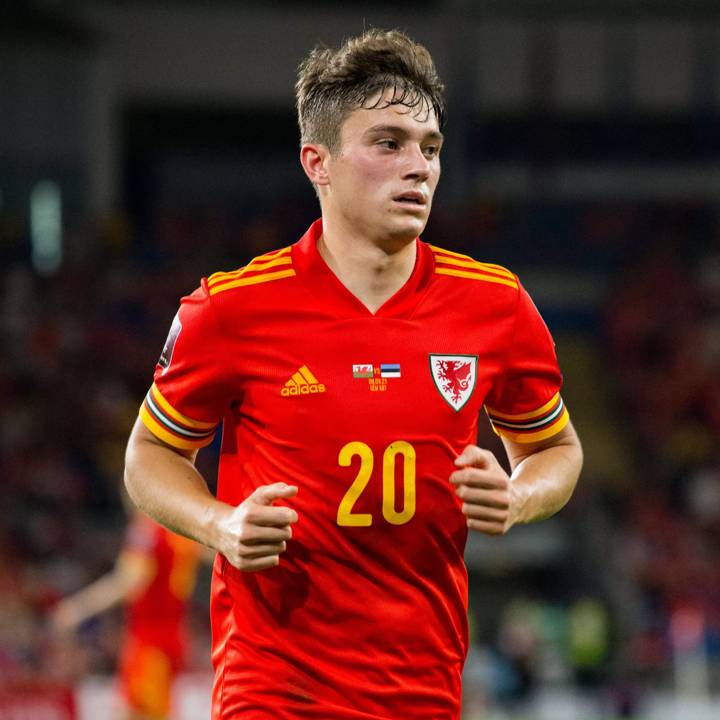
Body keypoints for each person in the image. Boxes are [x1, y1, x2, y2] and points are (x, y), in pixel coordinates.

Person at [124, 28, 583, 720]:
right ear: (319, 162)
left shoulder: (496, 305)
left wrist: (519, 498)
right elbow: (149, 455)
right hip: (273, 689)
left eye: (430, 148)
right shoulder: (231, 308)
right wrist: (219, 524)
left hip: (422, 691)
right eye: (389, 143)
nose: (420, 167)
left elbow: (557, 449)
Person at [51, 509, 201, 720]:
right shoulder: (181, 531)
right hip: (171, 639)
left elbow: (128, 581)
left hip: (150, 645)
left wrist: (79, 607)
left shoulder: (146, 533)